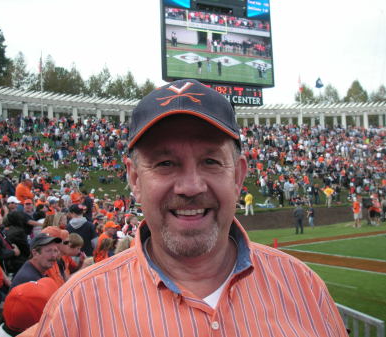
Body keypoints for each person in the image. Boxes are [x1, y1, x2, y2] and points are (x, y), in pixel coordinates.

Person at [33, 79, 348, 337]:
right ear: (134, 178)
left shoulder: (304, 288)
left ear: (238, 175)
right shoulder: (75, 310)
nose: (191, 186)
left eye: (210, 161)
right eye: (165, 163)